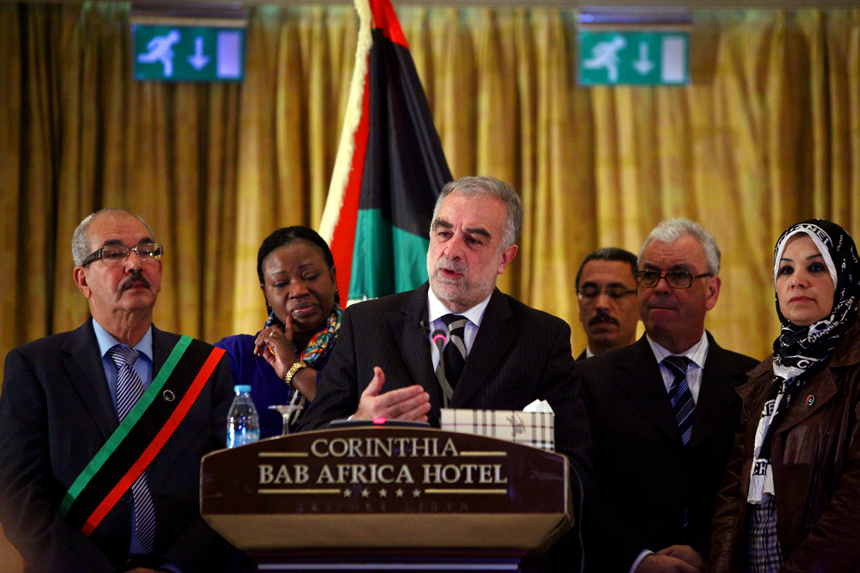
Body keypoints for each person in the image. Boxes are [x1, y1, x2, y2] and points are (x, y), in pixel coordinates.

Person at [296, 177, 592, 557]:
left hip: (499, 551)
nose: (451, 250)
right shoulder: (365, 324)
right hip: (384, 550)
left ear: (505, 257)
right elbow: (304, 446)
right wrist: (355, 426)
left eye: (473, 239)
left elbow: (577, 467)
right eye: (444, 232)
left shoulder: (541, 336)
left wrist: (519, 469)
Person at [0, 209, 238, 573]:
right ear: (83, 280)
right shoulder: (36, 367)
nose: (135, 264)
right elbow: (19, 499)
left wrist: (174, 569)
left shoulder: (203, 366)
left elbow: (228, 489)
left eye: (147, 251)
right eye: (113, 253)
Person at [576, 219, 759, 573]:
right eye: (648, 275)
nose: (660, 287)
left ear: (712, 291)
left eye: (679, 275)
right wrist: (639, 559)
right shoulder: (590, 380)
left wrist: (709, 551)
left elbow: (756, 491)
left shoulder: (753, 380)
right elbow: (582, 487)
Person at [709, 219, 860, 573]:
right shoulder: (766, 379)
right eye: (786, 269)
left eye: (816, 267)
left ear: (845, 279)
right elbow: (733, 494)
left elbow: (855, 503)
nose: (797, 280)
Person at [215, 227, 341, 438]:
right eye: (281, 283)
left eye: (310, 276)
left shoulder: (365, 344)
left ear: (333, 278)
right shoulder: (236, 355)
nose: (299, 290)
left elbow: (357, 418)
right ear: (266, 293)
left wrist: (293, 369)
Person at [575, 247, 639, 359]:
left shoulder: (663, 374)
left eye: (616, 293)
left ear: (642, 305)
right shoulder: (562, 375)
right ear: (578, 306)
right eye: (590, 293)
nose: (601, 305)